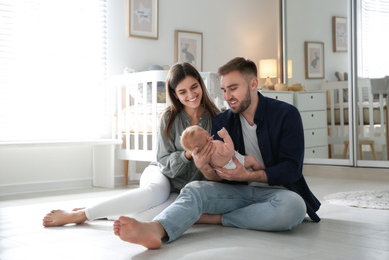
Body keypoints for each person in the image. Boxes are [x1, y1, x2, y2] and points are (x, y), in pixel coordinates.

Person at [113, 57, 321, 249]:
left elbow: (291, 169)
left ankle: (214, 218)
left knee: (294, 207)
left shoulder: (286, 114)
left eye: (233, 89)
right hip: (236, 193)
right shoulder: (222, 122)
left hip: (276, 192)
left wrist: (248, 175)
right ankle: (155, 229)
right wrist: (204, 166)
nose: (227, 97)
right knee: (195, 188)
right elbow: (216, 177)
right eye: (223, 90)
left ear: (253, 84)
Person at [42, 62, 219, 227]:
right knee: (154, 193)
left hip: (186, 187)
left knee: (149, 217)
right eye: (183, 91)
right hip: (161, 173)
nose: (191, 95)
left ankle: (103, 213)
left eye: (194, 87)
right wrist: (187, 155)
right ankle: (81, 215)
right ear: (174, 94)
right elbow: (163, 162)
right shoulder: (169, 117)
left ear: (200, 85)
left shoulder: (217, 119)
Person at [181, 125, 262, 171]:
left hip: (222, 170)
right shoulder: (215, 147)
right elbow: (229, 151)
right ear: (206, 136)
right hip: (232, 164)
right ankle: (261, 174)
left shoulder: (202, 154)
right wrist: (226, 137)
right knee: (252, 159)